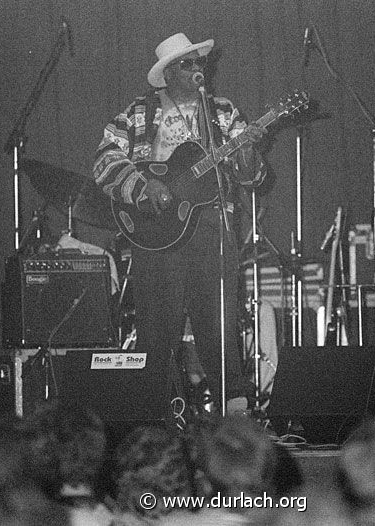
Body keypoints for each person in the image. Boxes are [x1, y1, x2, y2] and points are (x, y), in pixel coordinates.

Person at [86, 33, 266, 413]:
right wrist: (141, 185)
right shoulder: (138, 113)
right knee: (157, 329)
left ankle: (234, 412)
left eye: (199, 62)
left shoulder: (223, 112)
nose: (197, 68)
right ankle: (157, 414)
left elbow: (251, 177)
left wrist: (247, 151)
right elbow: (104, 159)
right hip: (156, 233)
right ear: (167, 73)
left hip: (213, 228)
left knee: (219, 327)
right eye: (187, 63)